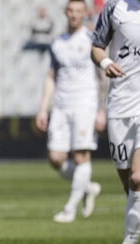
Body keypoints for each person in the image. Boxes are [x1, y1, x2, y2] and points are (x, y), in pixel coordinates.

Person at [91, 0, 140, 244]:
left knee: (139, 177)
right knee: (132, 189)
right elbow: (96, 46)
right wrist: (105, 61)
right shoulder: (115, 7)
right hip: (120, 107)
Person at [35, 0, 105, 224]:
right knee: (55, 157)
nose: (74, 15)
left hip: (85, 103)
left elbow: (103, 77)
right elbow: (51, 76)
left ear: (85, 14)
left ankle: (70, 208)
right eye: (70, 11)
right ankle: (87, 187)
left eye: (78, 11)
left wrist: (102, 109)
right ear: (66, 13)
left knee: (81, 155)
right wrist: (43, 108)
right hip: (62, 105)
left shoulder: (92, 39)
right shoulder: (58, 42)